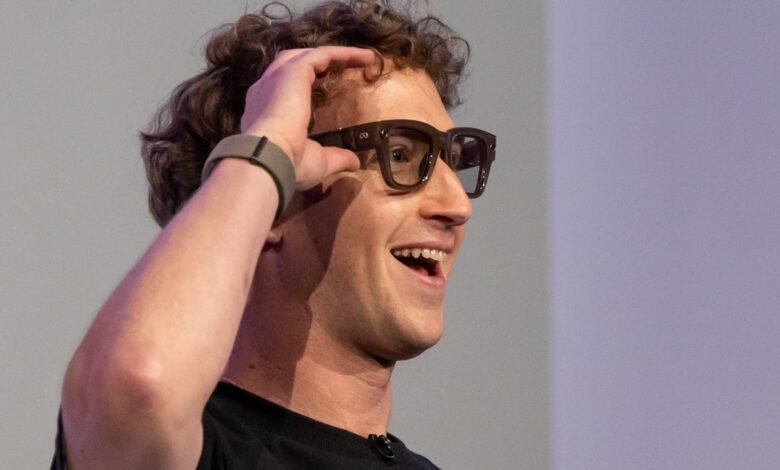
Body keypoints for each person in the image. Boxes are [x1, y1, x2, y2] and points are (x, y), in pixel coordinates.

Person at [51, 1, 496, 468]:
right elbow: (137, 386)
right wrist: (269, 147)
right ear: (274, 205)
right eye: (399, 155)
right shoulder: (199, 452)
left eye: (450, 161)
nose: (457, 206)